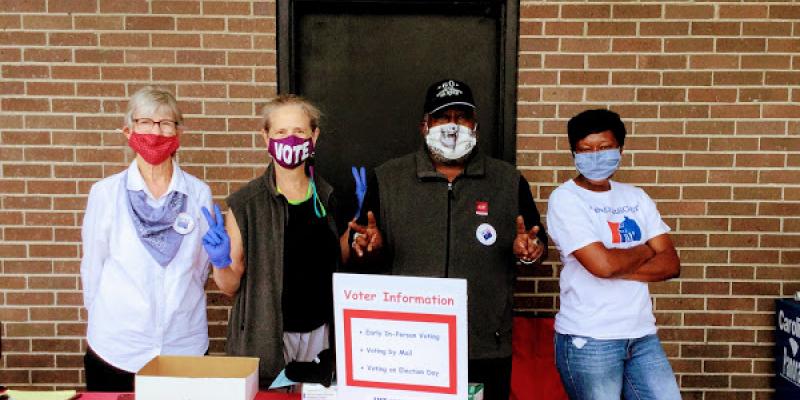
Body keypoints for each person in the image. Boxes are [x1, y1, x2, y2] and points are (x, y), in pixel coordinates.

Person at [347, 79, 547, 400]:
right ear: (425, 125)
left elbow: (536, 247)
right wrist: (370, 249)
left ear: (475, 126)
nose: (452, 126)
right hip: (408, 346)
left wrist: (529, 252)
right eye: (442, 117)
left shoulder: (507, 180)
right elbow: (364, 252)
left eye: (461, 117)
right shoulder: (388, 179)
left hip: (484, 343)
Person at [201, 95, 343, 388]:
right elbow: (229, 287)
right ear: (266, 137)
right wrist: (220, 261)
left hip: (321, 335)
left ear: (314, 137)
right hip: (266, 339)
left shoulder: (329, 197)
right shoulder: (245, 204)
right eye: (280, 132)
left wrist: (359, 243)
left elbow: (338, 261)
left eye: (299, 132)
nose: (290, 140)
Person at [80, 87, 211, 391]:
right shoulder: (105, 193)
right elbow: (93, 267)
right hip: (117, 348)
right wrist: (111, 320)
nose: (156, 131)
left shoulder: (198, 193)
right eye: (145, 122)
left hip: (183, 344)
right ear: (128, 130)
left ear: (178, 132)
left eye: (166, 123)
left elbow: (200, 268)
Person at [546, 109, 681, 400]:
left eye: (605, 148)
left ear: (620, 148)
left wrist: (612, 264)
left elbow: (670, 264)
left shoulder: (636, 197)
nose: (595, 156)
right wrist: (646, 249)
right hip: (590, 339)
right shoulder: (566, 199)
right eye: (585, 150)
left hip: (642, 334)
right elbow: (603, 266)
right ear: (574, 153)